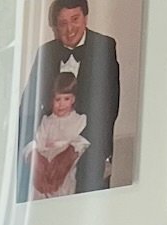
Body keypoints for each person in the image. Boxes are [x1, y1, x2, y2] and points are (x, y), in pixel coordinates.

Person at [17, 0, 120, 201]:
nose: (70, 29)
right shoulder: (45, 52)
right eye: (62, 23)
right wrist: (32, 152)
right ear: (55, 26)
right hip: (48, 142)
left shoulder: (105, 47)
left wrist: (72, 151)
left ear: (86, 18)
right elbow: (28, 106)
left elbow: (109, 108)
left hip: (88, 143)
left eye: (75, 19)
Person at [22, 74, 89, 200]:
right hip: (46, 163)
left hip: (64, 167)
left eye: (66, 99)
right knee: (39, 190)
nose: (61, 104)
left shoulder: (79, 120)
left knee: (63, 190)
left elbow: (79, 144)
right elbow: (39, 141)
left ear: (73, 99)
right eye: (57, 100)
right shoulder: (47, 121)